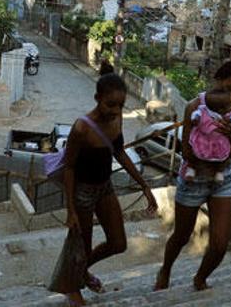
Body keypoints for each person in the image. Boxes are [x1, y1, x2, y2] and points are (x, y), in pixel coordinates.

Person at [50, 63, 158, 306]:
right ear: (97, 98)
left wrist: (144, 185)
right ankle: (72, 288)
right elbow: (68, 167)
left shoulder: (117, 119)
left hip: (105, 187)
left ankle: (82, 271)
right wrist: (71, 210)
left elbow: (119, 153)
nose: (116, 110)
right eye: (110, 104)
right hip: (82, 192)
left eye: (120, 105)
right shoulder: (81, 128)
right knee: (80, 246)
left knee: (118, 243)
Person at [154, 59, 231, 293]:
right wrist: (214, 149)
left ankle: (200, 277)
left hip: (223, 179)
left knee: (220, 243)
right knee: (182, 235)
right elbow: (186, 152)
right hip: (194, 179)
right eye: (229, 88)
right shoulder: (194, 108)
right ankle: (165, 269)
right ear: (217, 81)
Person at [182, 88, 231, 183]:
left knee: (224, 156)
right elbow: (196, 115)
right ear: (221, 108)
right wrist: (196, 118)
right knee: (194, 152)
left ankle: (219, 171)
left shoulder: (229, 113)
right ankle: (191, 168)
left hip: (219, 141)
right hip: (203, 138)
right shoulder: (203, 109)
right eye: (228, 106)